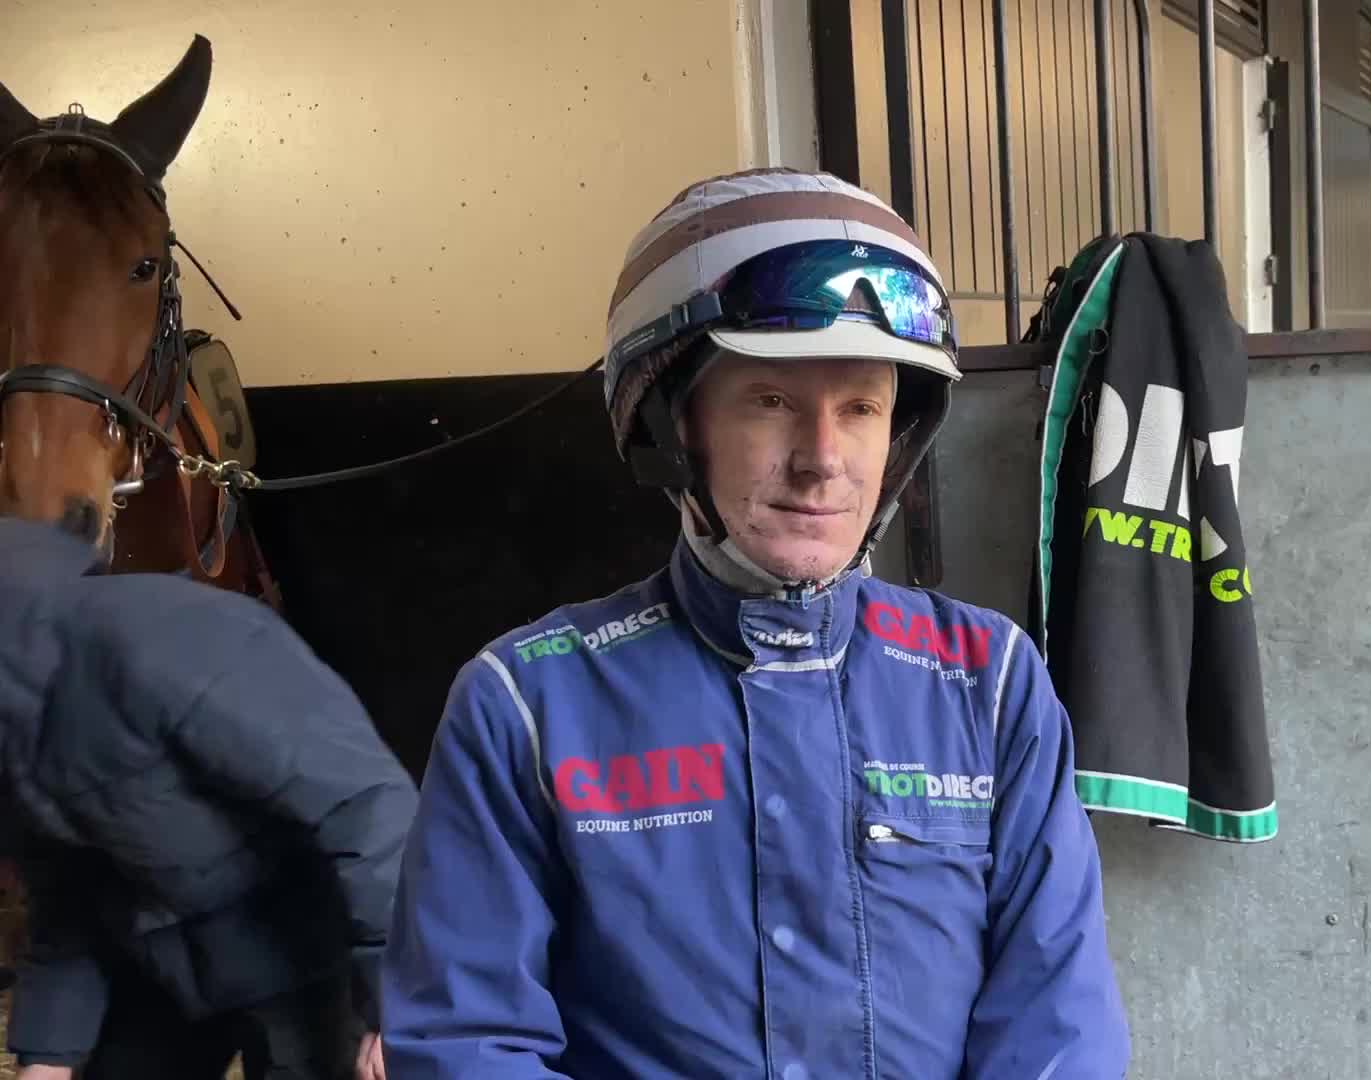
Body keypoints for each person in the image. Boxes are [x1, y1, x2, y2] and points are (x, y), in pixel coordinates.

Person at [379, 167, 1131, 1077]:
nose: (823, 459)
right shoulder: (527, 706)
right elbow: (466, 1042)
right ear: (671, 422)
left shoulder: (988, 680)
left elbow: (1059, 1023)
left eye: (860, 409)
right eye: (772, 401)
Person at [0, 513, 418, 1080]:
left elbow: (365, 805)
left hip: (305, 958)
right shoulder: (15, 727)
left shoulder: (164, 642)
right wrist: (48, 1053)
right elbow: (66, 894)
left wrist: (399, 1004)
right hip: (162, 964)